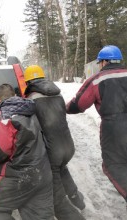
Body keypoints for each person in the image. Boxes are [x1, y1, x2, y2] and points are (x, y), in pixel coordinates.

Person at [66, 45, 127, 213]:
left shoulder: (98, 79)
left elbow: (79, 104)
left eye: (100, 62)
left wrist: (64, 108)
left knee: (113, 164)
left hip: (115, 126)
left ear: (105, 62)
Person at [0, 84, 54, 220]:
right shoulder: (32, 110)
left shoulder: (0, 118)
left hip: (20, 174)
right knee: (40, 215)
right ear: (15, 95)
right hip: (44, 170)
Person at [23, 65, 86, 220]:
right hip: (68, 147)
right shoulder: (57, 95)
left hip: (52, 152)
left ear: (29, 82)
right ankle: (78, 200)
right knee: (62, 169)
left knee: (56, 198)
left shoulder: (31, 100)